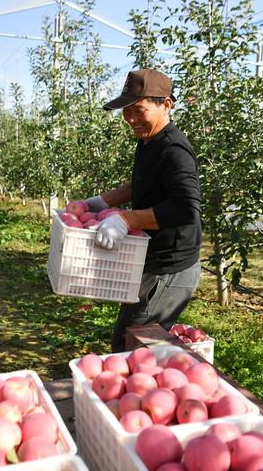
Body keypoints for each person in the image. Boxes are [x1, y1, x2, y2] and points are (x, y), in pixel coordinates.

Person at [80, 68, 202, 353]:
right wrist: (100, 202)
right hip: (152, 260)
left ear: (166, 104)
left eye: (139, 110)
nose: (131, 119)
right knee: (130, 339)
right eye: (126, 111)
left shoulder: (174, 149)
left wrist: (126, 218)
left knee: (134, 347)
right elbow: (141, 185)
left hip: (171, 268)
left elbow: (186, 208)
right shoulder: (149, 140)